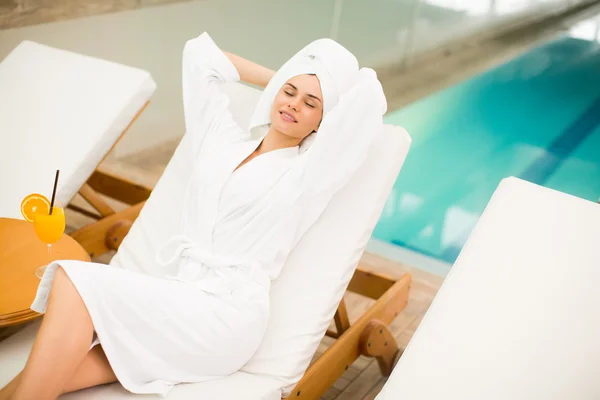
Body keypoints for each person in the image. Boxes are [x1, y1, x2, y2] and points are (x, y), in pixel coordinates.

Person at [0, 32, 386, 400]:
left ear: (322, 120)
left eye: (310, 104)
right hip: (179, 295)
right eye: (288, 93)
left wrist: (307, 85)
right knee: (46, 375)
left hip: (227, 316)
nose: (293, 105)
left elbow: (368, 96)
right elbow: (201, 57)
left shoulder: (309, 174)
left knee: (74, 277)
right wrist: (280, 79)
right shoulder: (221, 142)